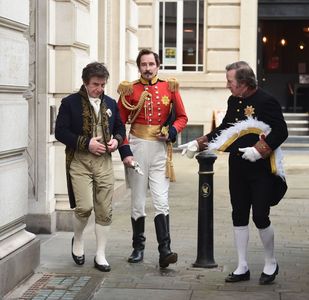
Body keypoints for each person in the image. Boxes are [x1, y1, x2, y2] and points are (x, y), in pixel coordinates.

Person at [179, 61, 288, 284]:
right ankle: (242, 266)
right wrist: (199, 143)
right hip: (238, 167)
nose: (227, 85)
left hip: (261, 169)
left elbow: (281, 131)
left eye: (230, 81)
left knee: (259, 215)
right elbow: (225, 129)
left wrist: (259, 151)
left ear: (245, 83)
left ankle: (270, 262)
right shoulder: (233, 100)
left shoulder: (267, 101)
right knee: (238, 214)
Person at [117, 49, 188, 268]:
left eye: (151, 64)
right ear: (139, 67)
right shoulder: (130, 89)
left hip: (160, 149)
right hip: (137, 146)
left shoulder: (170, 87)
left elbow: (183, 117)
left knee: (161, 200)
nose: (148, 68)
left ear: (158, 66)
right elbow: (119, 124)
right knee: (138, 201)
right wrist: (125, 151)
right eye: (143, 64)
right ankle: (138, 248)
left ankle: (165, 250)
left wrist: (172, 131)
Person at [55, 62, 126, 272]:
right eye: (95, 84)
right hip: (80, 161)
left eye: (103, 84)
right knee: (84, 207)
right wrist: (87, 143)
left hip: (104, 162)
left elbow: (120, 127)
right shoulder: (69, 103)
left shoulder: (111, 103)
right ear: (85, 82)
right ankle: (78, 239)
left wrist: (117, 140)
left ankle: (101, 254)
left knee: (105, 209)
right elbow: (60, 132)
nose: (100, 89)